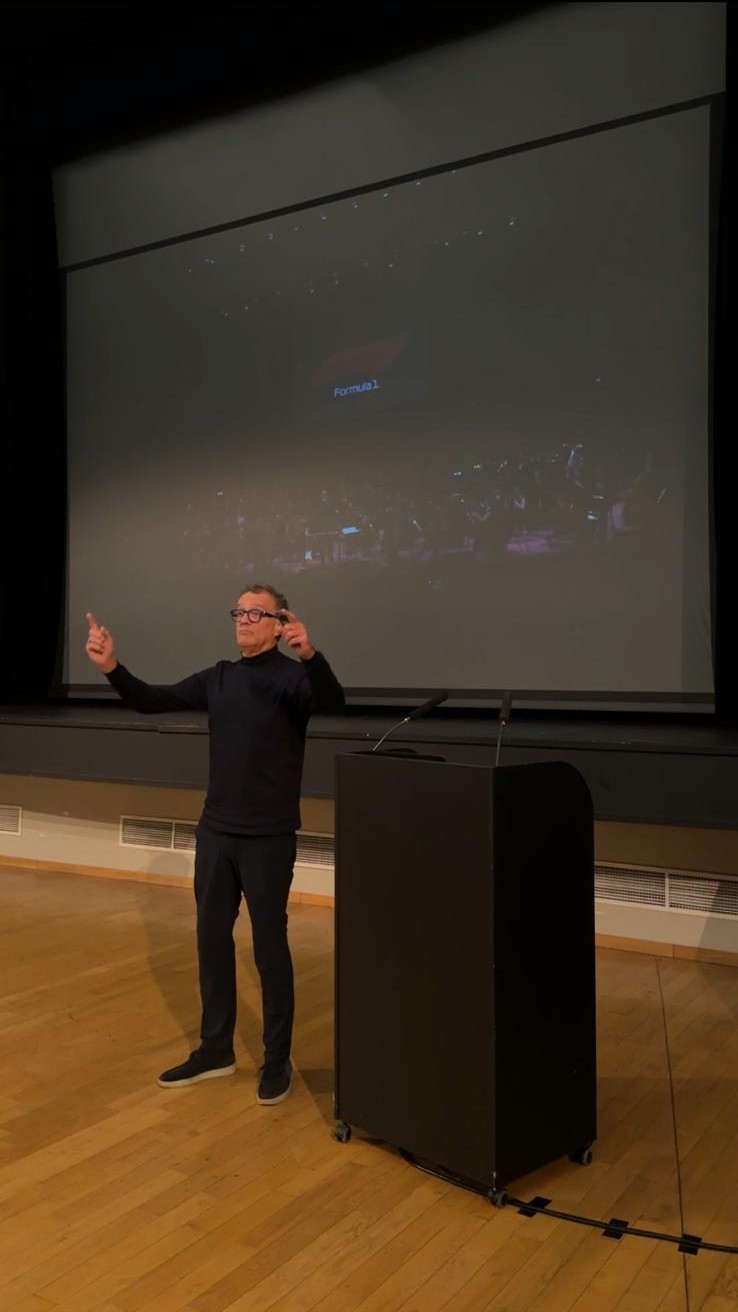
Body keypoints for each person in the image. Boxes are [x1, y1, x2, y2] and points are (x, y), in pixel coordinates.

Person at [84, 585, 345, 1104]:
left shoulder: (293, 679)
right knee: (210, 940)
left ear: (278, 623)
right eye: (239, 612)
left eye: (257, 613)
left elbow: (334, 703)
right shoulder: (220, 678)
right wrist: (112, 666)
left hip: (268, 837)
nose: (244, 619)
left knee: (270, 948)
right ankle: (216, 1049)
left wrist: (310, 653)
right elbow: (149, 700)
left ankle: (276, 1060)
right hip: (216, 832)